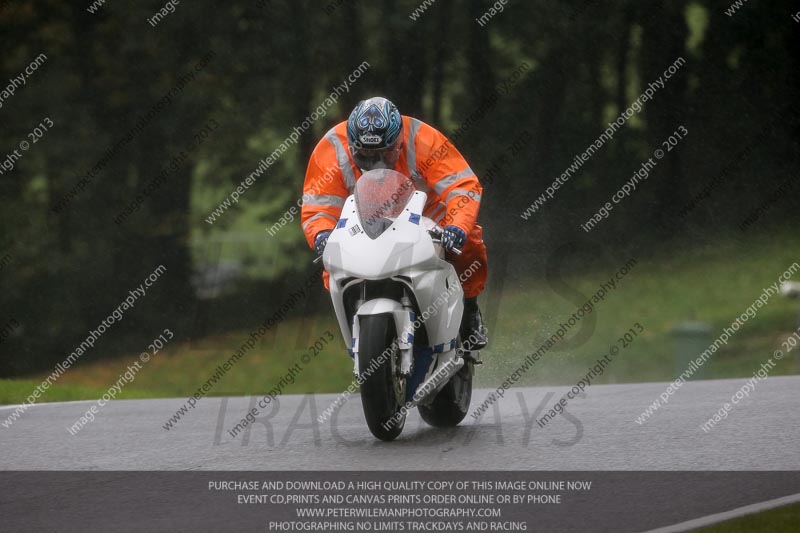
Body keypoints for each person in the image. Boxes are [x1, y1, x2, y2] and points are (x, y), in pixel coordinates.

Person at [300, 96, 488, 349]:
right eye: (366, 154)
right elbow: (317, 206)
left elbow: (462, 186)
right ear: (352, 145)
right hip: (360, 220)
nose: (376, 161)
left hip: (428, 214)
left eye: (385, 152)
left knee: (470, 242)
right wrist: (321, 234)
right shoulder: (332, 148)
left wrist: (457, 226)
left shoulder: (423, 139)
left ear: (398, 140)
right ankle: (356, 330)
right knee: (332, 265)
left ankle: (471, 309)